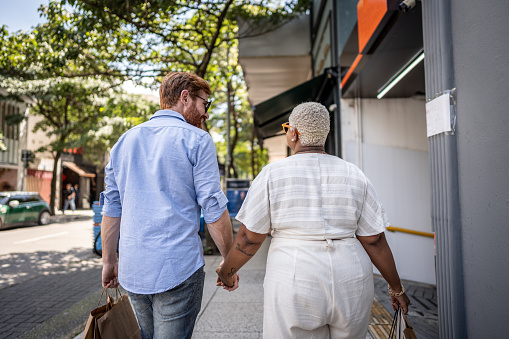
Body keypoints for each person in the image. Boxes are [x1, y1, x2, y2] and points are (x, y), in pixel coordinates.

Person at [217, 102, 410, 339]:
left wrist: (227, 272)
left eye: (287, 127)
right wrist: (396, 288)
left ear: (294, 133)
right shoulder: (354, 174)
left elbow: (249, 238)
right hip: (351, 278)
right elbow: (375, 240)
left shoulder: (272, 174)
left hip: (293, 276)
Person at [100, 72, 238, 339]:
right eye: (204, 104)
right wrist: (229, 264)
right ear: (185, 97)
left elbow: (112, 207)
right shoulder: (198, 140)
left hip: (134, 270)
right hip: (179, 267)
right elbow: (212, 206)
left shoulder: (123, 142)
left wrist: (109, 261)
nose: (206, 114)